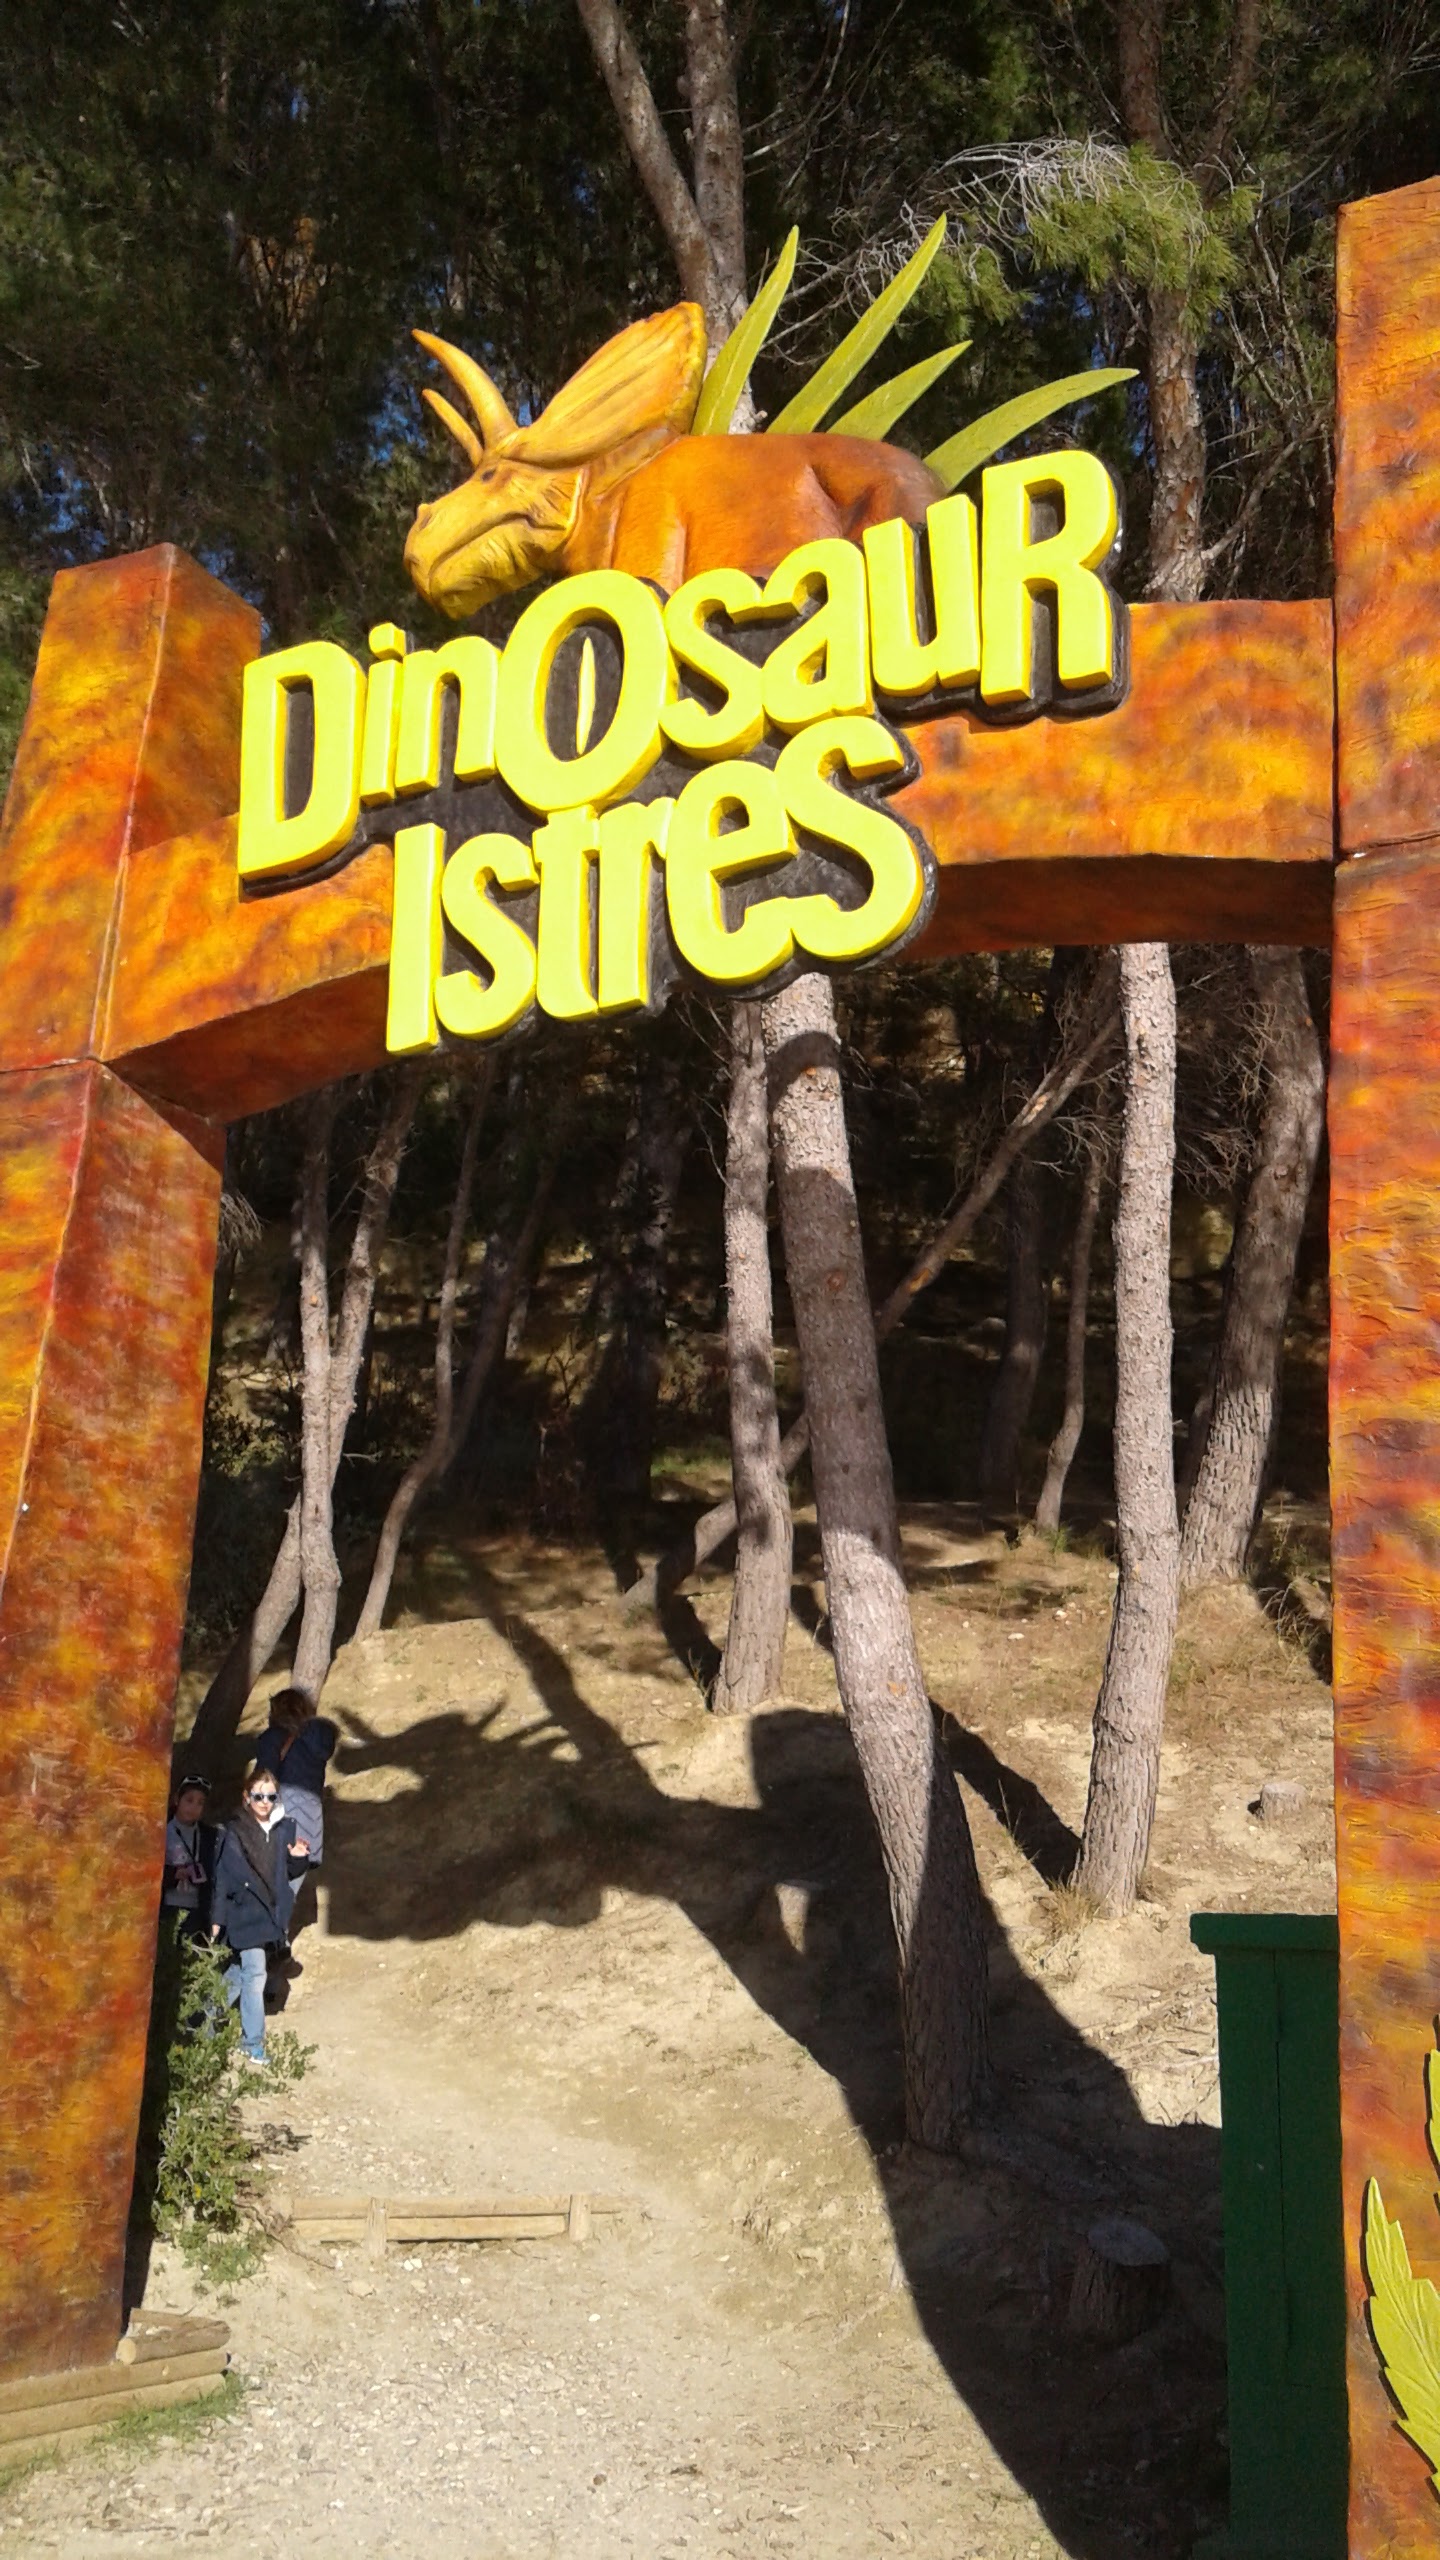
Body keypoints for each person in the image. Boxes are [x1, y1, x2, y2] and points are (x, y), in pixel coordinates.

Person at [209, 1767, 310, 2063]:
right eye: (259, 1796)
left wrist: (298, 1859)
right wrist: (217, 1918)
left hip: (271, 1914)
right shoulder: (234, 1831)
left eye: (271, 1796)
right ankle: (252, 2043)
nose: (265, 1802)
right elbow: (223, 1877)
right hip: (244, 1912)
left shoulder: (283, 1829)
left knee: (238, 1973)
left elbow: (287, 1873)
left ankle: (202, 2020)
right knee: (255, 1973)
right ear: (247, 1797)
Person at [253, 1686, 338, 1890]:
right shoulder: (315, 1744)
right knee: (289, 1887)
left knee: (269, 1891)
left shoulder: (274, 1737)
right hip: (311, 1820)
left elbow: (264, 1779)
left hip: (282, 1813)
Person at [161, 1776, 218, 1940]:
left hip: (196, 1910)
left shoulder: (210, 1836)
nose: (193, 1807)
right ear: (177, 1800)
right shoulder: (162, 1830)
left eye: (200, 1803)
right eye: (189, 1800)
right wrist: (173, 1874)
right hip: (167, 1907)